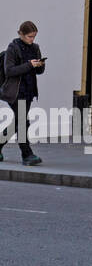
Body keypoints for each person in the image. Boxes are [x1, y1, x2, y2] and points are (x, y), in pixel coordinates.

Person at [1, 21, 44, 166]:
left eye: (34, 36)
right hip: (14, 92)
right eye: (30, 36)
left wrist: (40, 65)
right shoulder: (13, 48)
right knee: (22, 122)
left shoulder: (35, 48)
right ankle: (27, 154)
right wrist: (29, 65)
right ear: (21, 34)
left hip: (29, 91)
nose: (32, 39)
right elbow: (10, 71)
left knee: (18, 122)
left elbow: (38, 72)